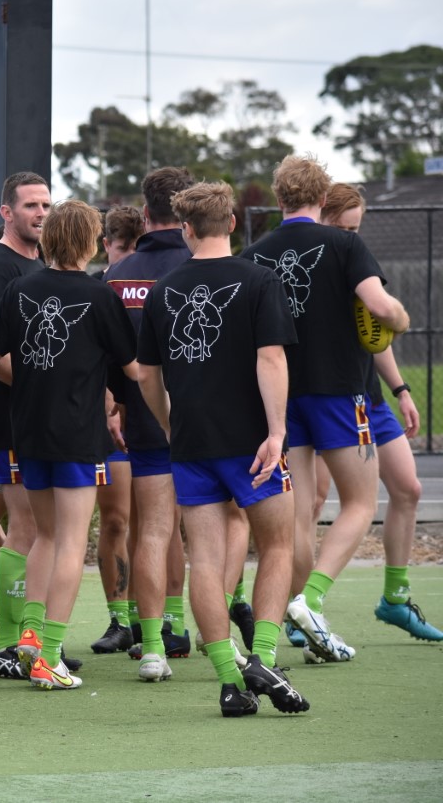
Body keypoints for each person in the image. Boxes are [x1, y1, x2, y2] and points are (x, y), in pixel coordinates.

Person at [136, 180, 310, 717]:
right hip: (252, 441)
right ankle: (263, 659)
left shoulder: (163, 290)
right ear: (232, 223)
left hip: (192, 441)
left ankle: (230, 682)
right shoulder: (259, 280)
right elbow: (271, 359)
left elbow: (147, 375)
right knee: (276, 546)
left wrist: (169, 425)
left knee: (206, 562)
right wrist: (276, 433)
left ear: (185, 229)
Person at [241, 155, 410, 663]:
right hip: (339, 392)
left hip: (282, 398)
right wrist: (400, 317)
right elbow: (380, 308)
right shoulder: (345, 244)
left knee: (297, 518)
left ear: (279, 197)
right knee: (360, 504)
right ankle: (309, 601)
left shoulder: (254, 254)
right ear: (322, 197)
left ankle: (297, 617)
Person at [0, 199, 138, 691]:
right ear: (91, 241)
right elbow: (133, 368)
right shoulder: (100, 294)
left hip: (27, 433)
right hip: (76, 436)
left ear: (49, 238)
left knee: (44, 537)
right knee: (70, 542)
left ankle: (29, 633)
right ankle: (48, 653)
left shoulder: (19, 289)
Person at [317, 183, 441, 643]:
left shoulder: (356, 258)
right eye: (343, 226)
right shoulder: (314, 263)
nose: (351, 235)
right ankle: (303, 606)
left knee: (408, 488)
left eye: (356, 228)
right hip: (325, 397)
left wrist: (402, 390)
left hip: (367, 396)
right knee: (315, 500)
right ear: (322, 218)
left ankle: (395, 599)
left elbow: (375, 334)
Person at [104, 167, 197, 674]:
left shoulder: (116, 276)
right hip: (209, 421)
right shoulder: (207, 266)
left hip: (141, 419)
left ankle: (157, 642)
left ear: (144, 214)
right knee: (208, 532)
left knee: (154, 530)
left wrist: (114, 406)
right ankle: (202, 631)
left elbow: (108, 359)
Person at [0, 172, 49, 680]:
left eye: (46, 205)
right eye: (31, 205)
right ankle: (8, 643)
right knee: (28, 529)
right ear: (6, 212)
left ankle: (18, 637)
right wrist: (49, 389)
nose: (40, 213)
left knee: (26, 529)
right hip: (11, 419)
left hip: (35, 421)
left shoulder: (37, 264)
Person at [90, 205, 143, 654]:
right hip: (107, 424)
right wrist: (107, 404)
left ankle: (153, 620)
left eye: (136, 249)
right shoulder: (97, 289)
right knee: (116, 520)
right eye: (123, 248)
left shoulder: (157, 283)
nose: (130, 258)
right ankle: (119, 619)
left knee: (153, 523)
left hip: (151, 420)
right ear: (106, 245)